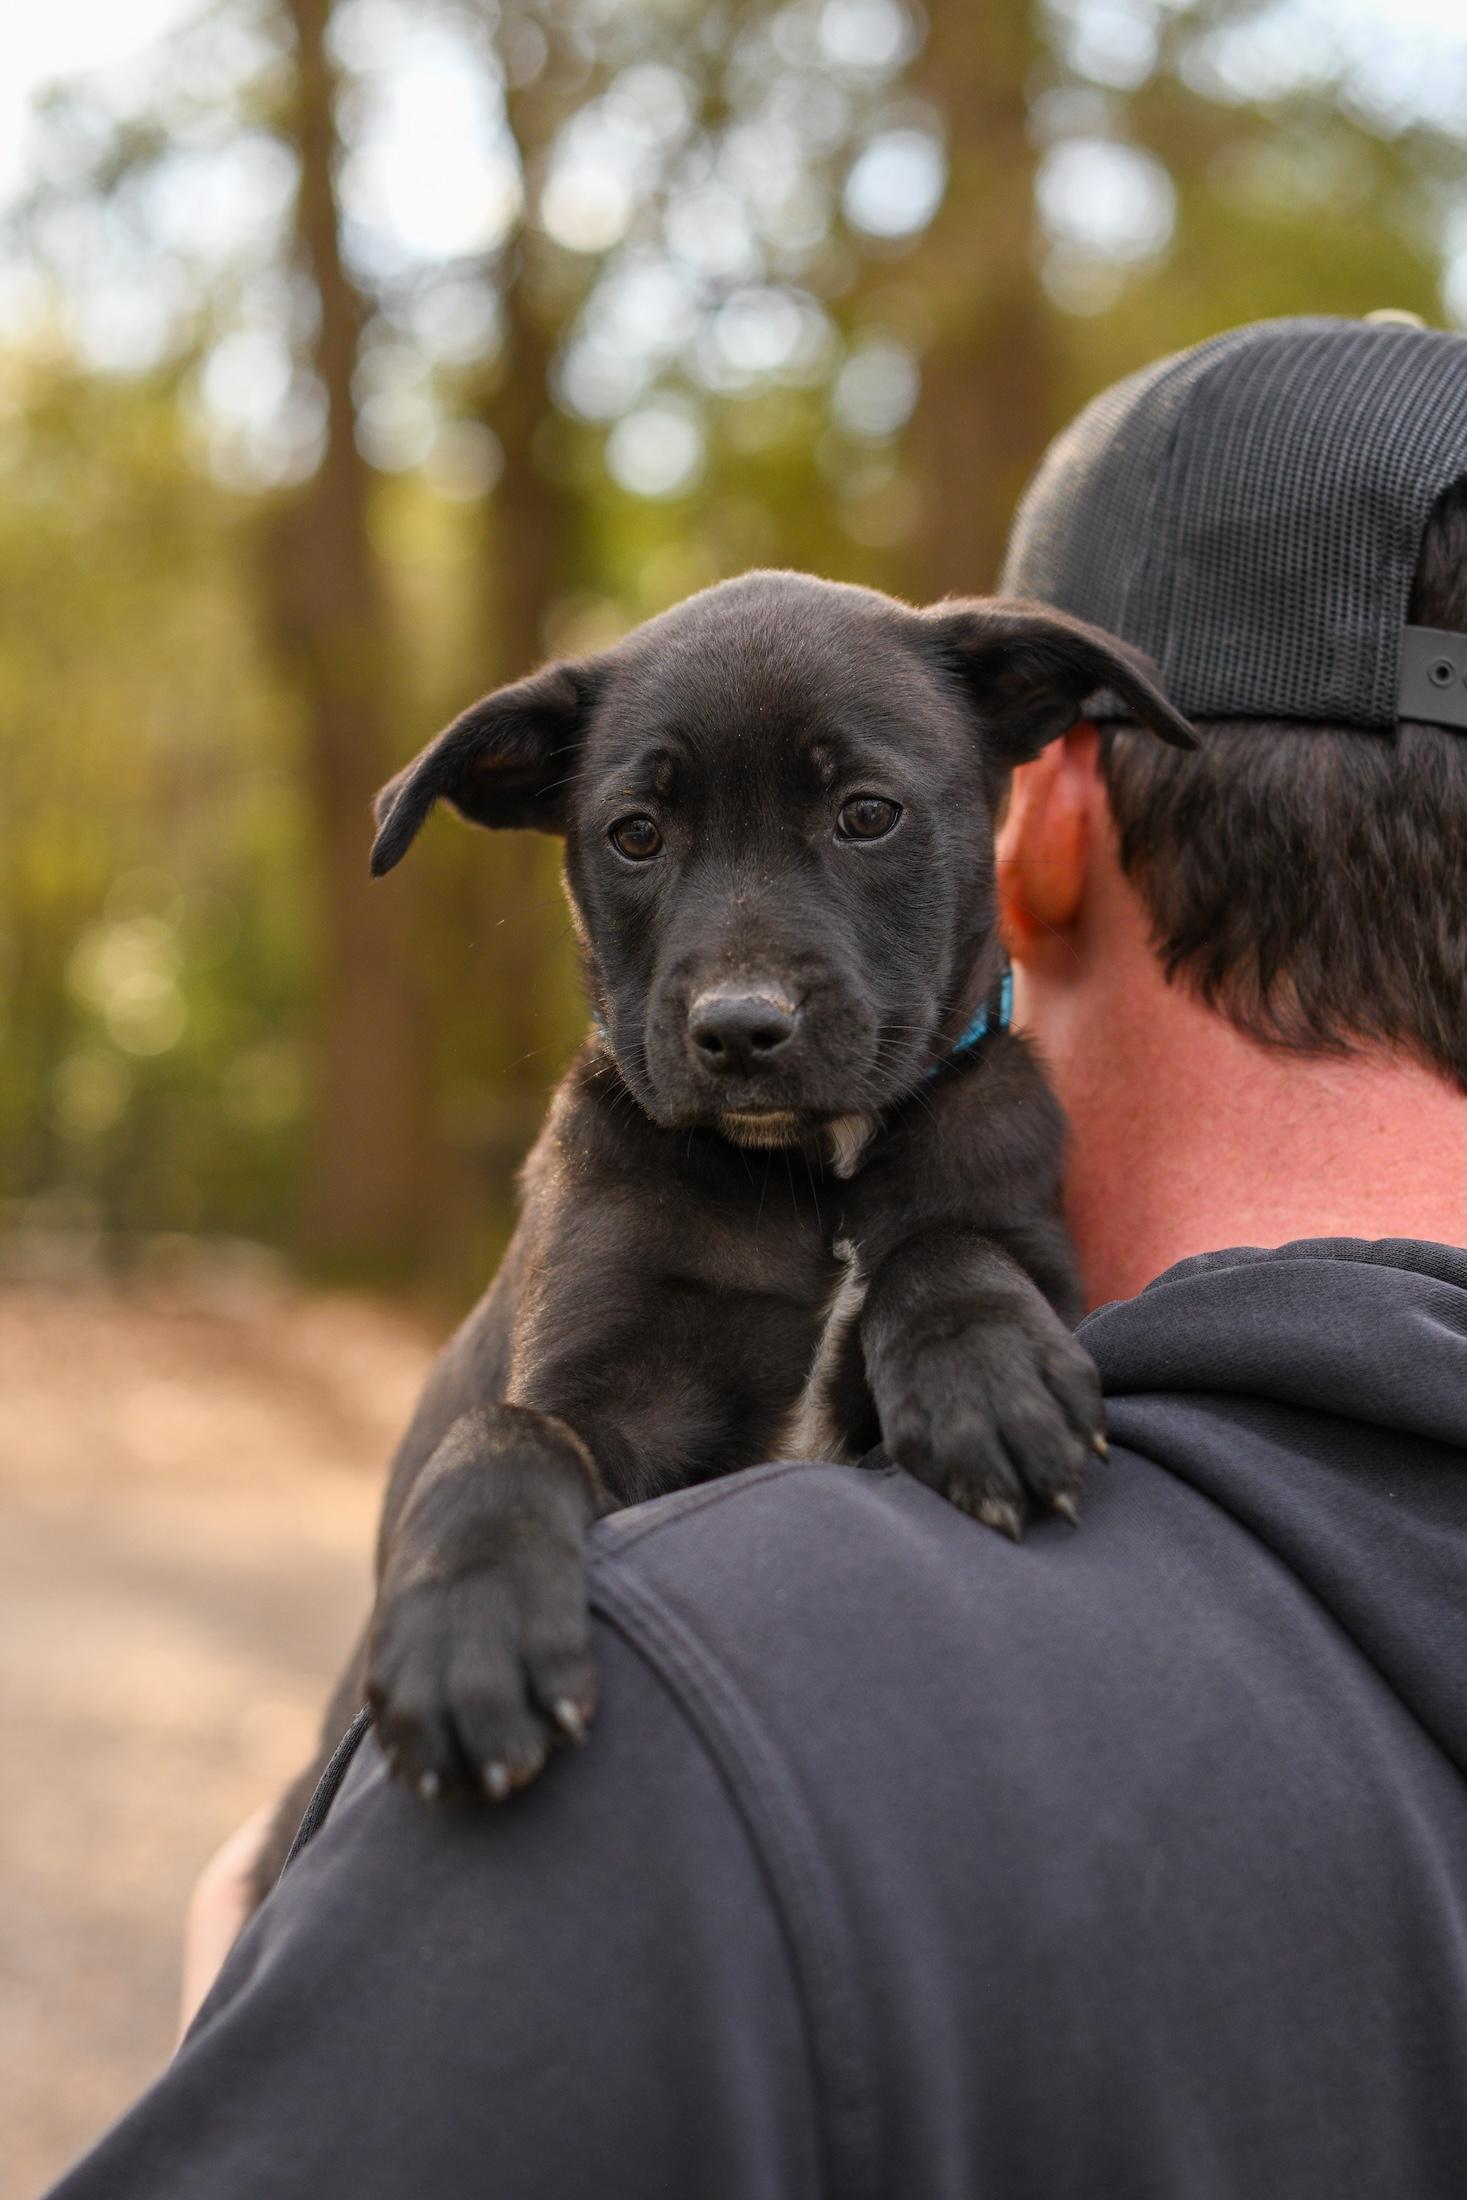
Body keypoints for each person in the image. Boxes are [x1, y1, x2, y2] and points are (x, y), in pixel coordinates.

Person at [48, 316, 1467, 2198]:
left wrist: (258, 1986)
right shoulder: (627, 1172)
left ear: (1037, 800)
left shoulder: (981, 1171)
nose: (735, 978)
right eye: (643, 837)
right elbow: (568, 1417)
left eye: (862, 820)